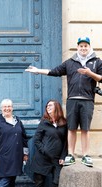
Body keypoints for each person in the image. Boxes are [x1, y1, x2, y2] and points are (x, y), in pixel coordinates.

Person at [25, 37, 102, 167]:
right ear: (77, 47)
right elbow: (54, 72)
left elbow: (101, 78)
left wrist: (90, 73)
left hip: (87, 100)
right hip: (72, 100)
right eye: (81, 46)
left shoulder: (96, 62)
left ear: (89, 47)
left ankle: (85, 155)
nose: (83, 48)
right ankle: (70, 155)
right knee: (71, 129)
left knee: (85, 129)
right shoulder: (70, 62)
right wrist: (38, 71)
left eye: (85, 46)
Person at [31, 100, 68, 187]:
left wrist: (63, 156)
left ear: (57, 107)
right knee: (39, 181)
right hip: (42, 157)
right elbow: (36, 140)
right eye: (47, 105)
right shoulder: (44, 122)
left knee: (57, 181)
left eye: (50, 105)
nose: (48, 107)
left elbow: (66, 142)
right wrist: (45, 150)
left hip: (57, 159)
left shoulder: (64, 124)